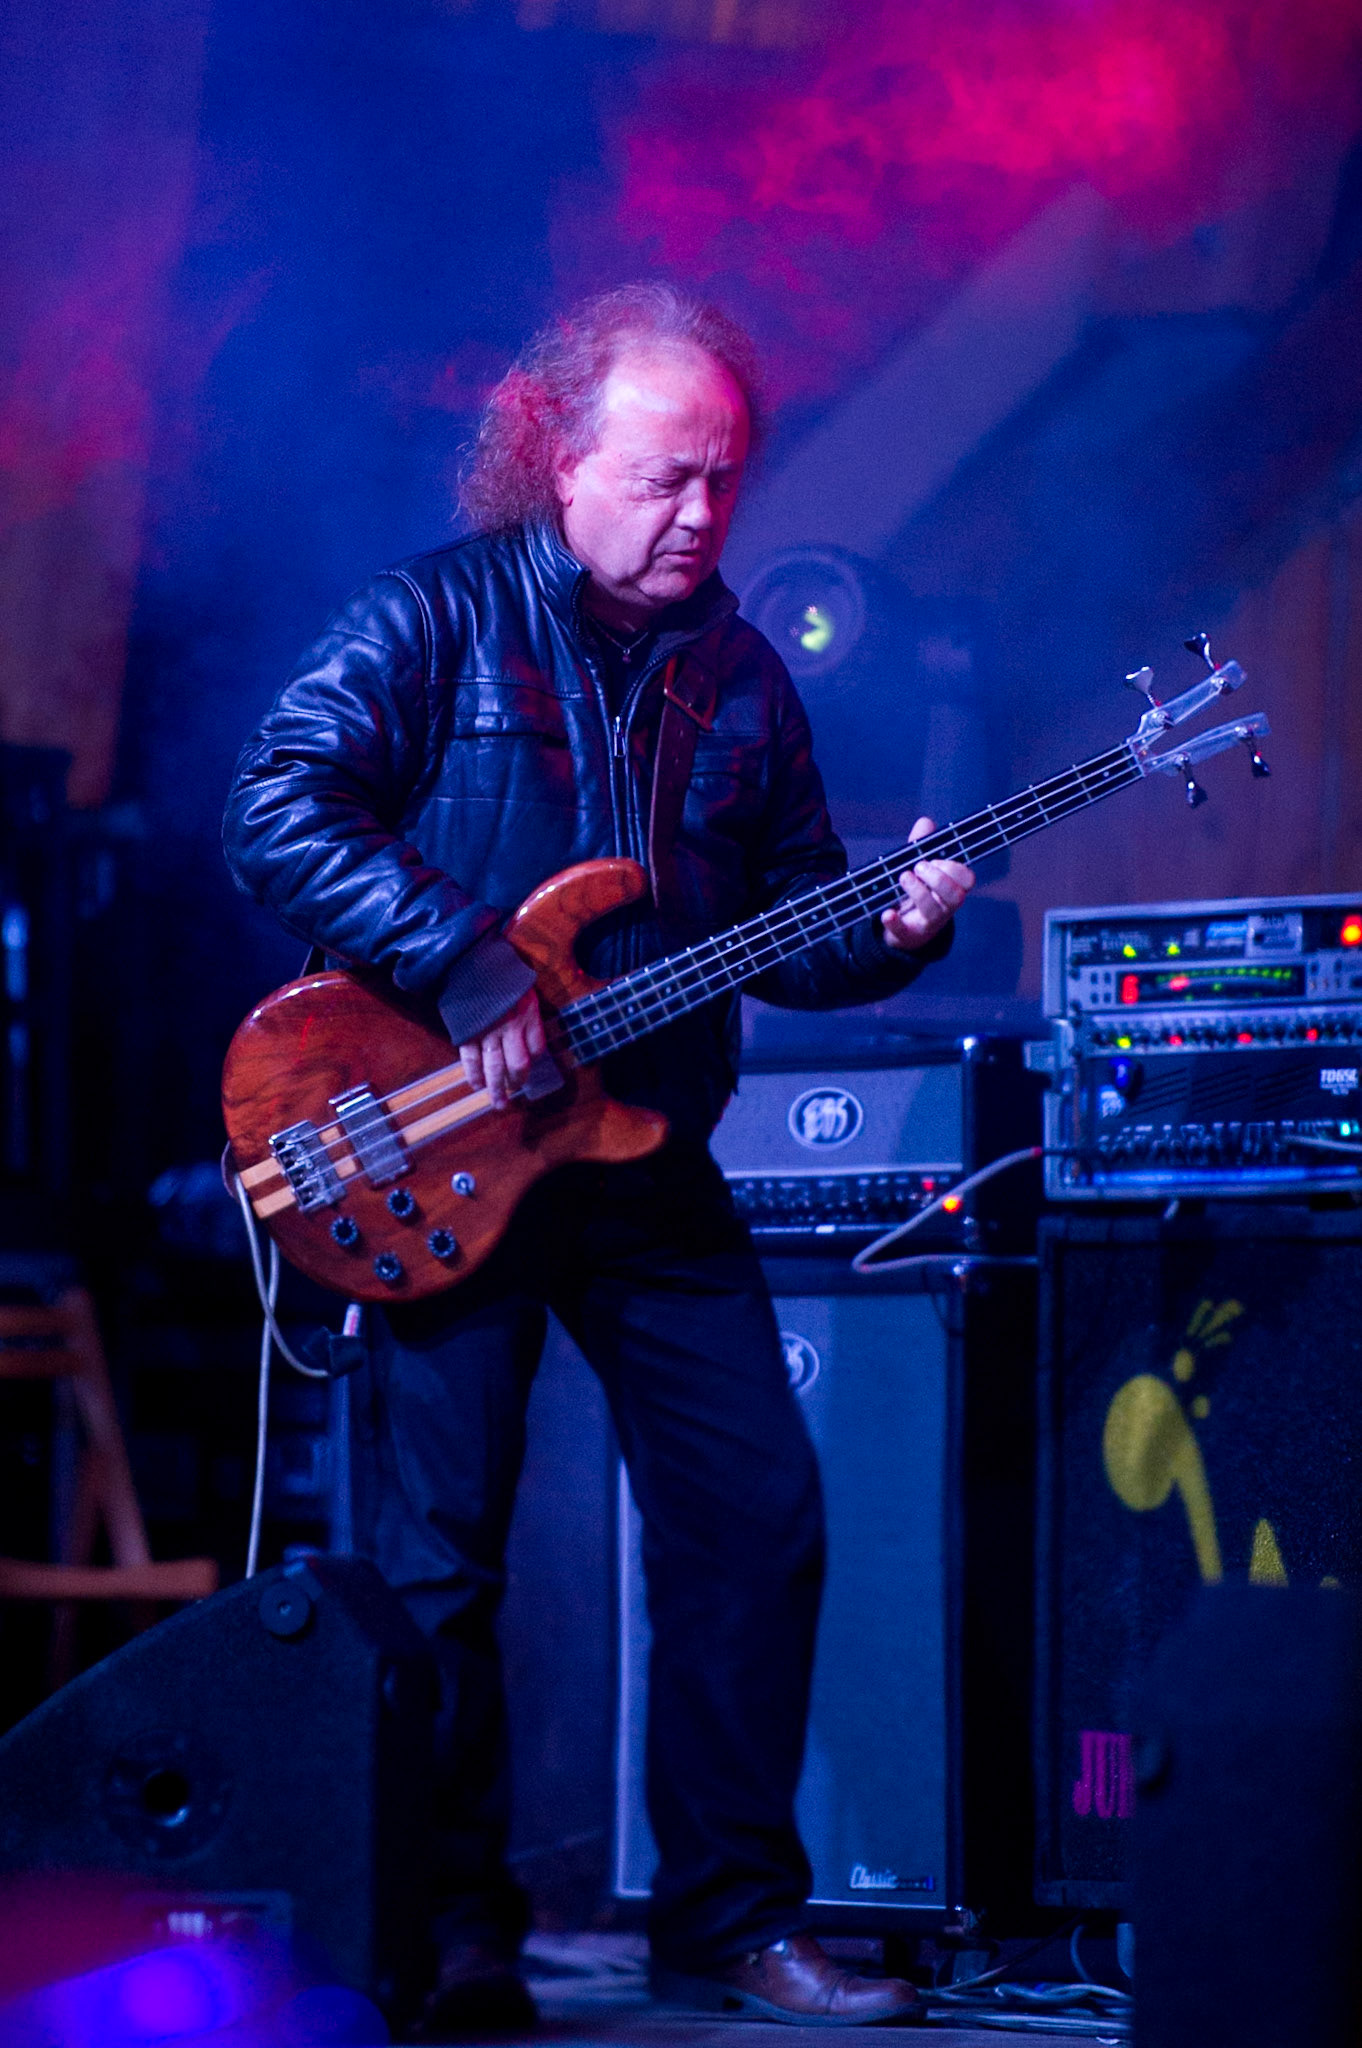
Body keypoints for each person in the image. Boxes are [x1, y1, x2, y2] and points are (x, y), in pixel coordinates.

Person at [223, 282, 973, 2037]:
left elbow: (794, 921)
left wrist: (897, 929)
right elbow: (275, 804)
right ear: (558, 459)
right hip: (444, 1151)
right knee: (438, 1567)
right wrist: (466, 960)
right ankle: (452, 1932)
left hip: (641, 1156)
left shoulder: (740, 674)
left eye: (721, 479)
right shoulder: (431, 618)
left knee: (757, 1518)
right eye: (659, 477)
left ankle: (729, 1918)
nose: (698, 514)